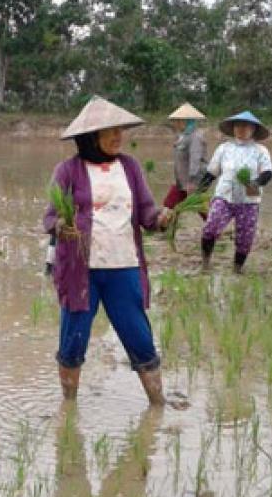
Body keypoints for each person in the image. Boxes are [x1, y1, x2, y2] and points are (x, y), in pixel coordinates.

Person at [43, 96, 182, 408]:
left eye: (119, 130)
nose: (118, 137)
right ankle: (69, 409)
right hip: (81, 271)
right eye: (109, 132)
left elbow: (146, 214)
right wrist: (60, 226)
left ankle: (157, 404)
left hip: (124, 266)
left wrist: (161, 218)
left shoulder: (130, 167)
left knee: (139, 336)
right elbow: (50, 217)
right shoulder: (67, 170)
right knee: (73, 338)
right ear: (90, 137)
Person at [198, 110, 272, 273]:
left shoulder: (261, 151)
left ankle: (237, 269)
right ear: (232, 128)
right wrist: (199, 191)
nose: (241, 129)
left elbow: (268, 173)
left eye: (245, 126)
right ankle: (205, 263)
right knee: (211, 227)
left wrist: (256, 182)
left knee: (245, 238)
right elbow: (212, 172)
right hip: (224, 196)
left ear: (253, 129)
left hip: (249, 200)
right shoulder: (224, 148)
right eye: (238, 125)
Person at [162, 102, 208, 211]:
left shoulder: (195, 137)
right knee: (169, 204)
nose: (176, 123)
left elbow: (195, 160)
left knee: (202, 209)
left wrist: (192, 183)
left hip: (193, 182)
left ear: (188, 121)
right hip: (181, 182)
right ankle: (164, 227)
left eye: (179, 120)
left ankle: (215, 226)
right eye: (176, 120)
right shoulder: (182, 136)